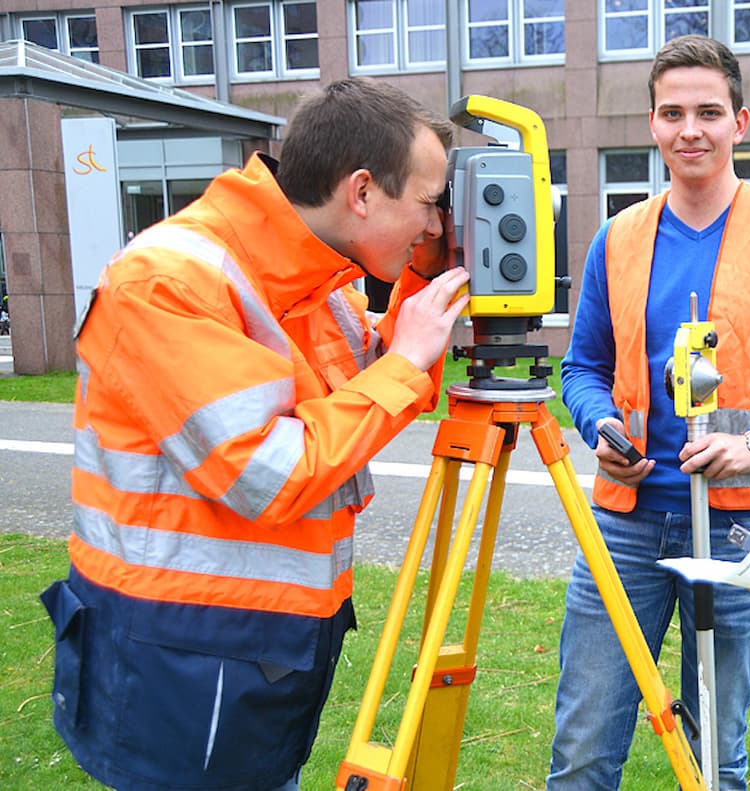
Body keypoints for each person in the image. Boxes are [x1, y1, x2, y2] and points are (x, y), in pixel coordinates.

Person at [40, 78, 470, 791]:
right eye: (429, 203)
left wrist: (424, 292)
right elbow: (267, 473)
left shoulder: (318, 283)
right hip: (179, 665)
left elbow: (360, 389)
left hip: (255, 655)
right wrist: (404, 361)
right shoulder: (169, 281)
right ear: (362, 191)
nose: (434, 225)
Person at [548, 35, 750, 789]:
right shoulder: (617, 237)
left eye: (708, 112)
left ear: (740, 122)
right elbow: (581, 367)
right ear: (652, 123)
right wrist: (599, 425)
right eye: (672, 113)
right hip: (627, 521)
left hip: (742, 528)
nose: (690, 130)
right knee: (583, 748)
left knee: (713, 755)